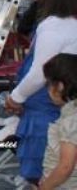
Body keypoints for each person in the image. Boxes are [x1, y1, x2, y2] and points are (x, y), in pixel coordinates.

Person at [5, 0, 77, 184]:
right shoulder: (69, 22)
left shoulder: (54, 26)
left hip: (46, 110)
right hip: (55, 105)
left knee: (44, 172)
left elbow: (40, 72)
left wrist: (16, 97)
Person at [40, 53, 77, 190]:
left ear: (60, 86)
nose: (47, 88)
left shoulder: (70, 121)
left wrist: (45, 187)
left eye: (48, 83)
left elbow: (65, 167)